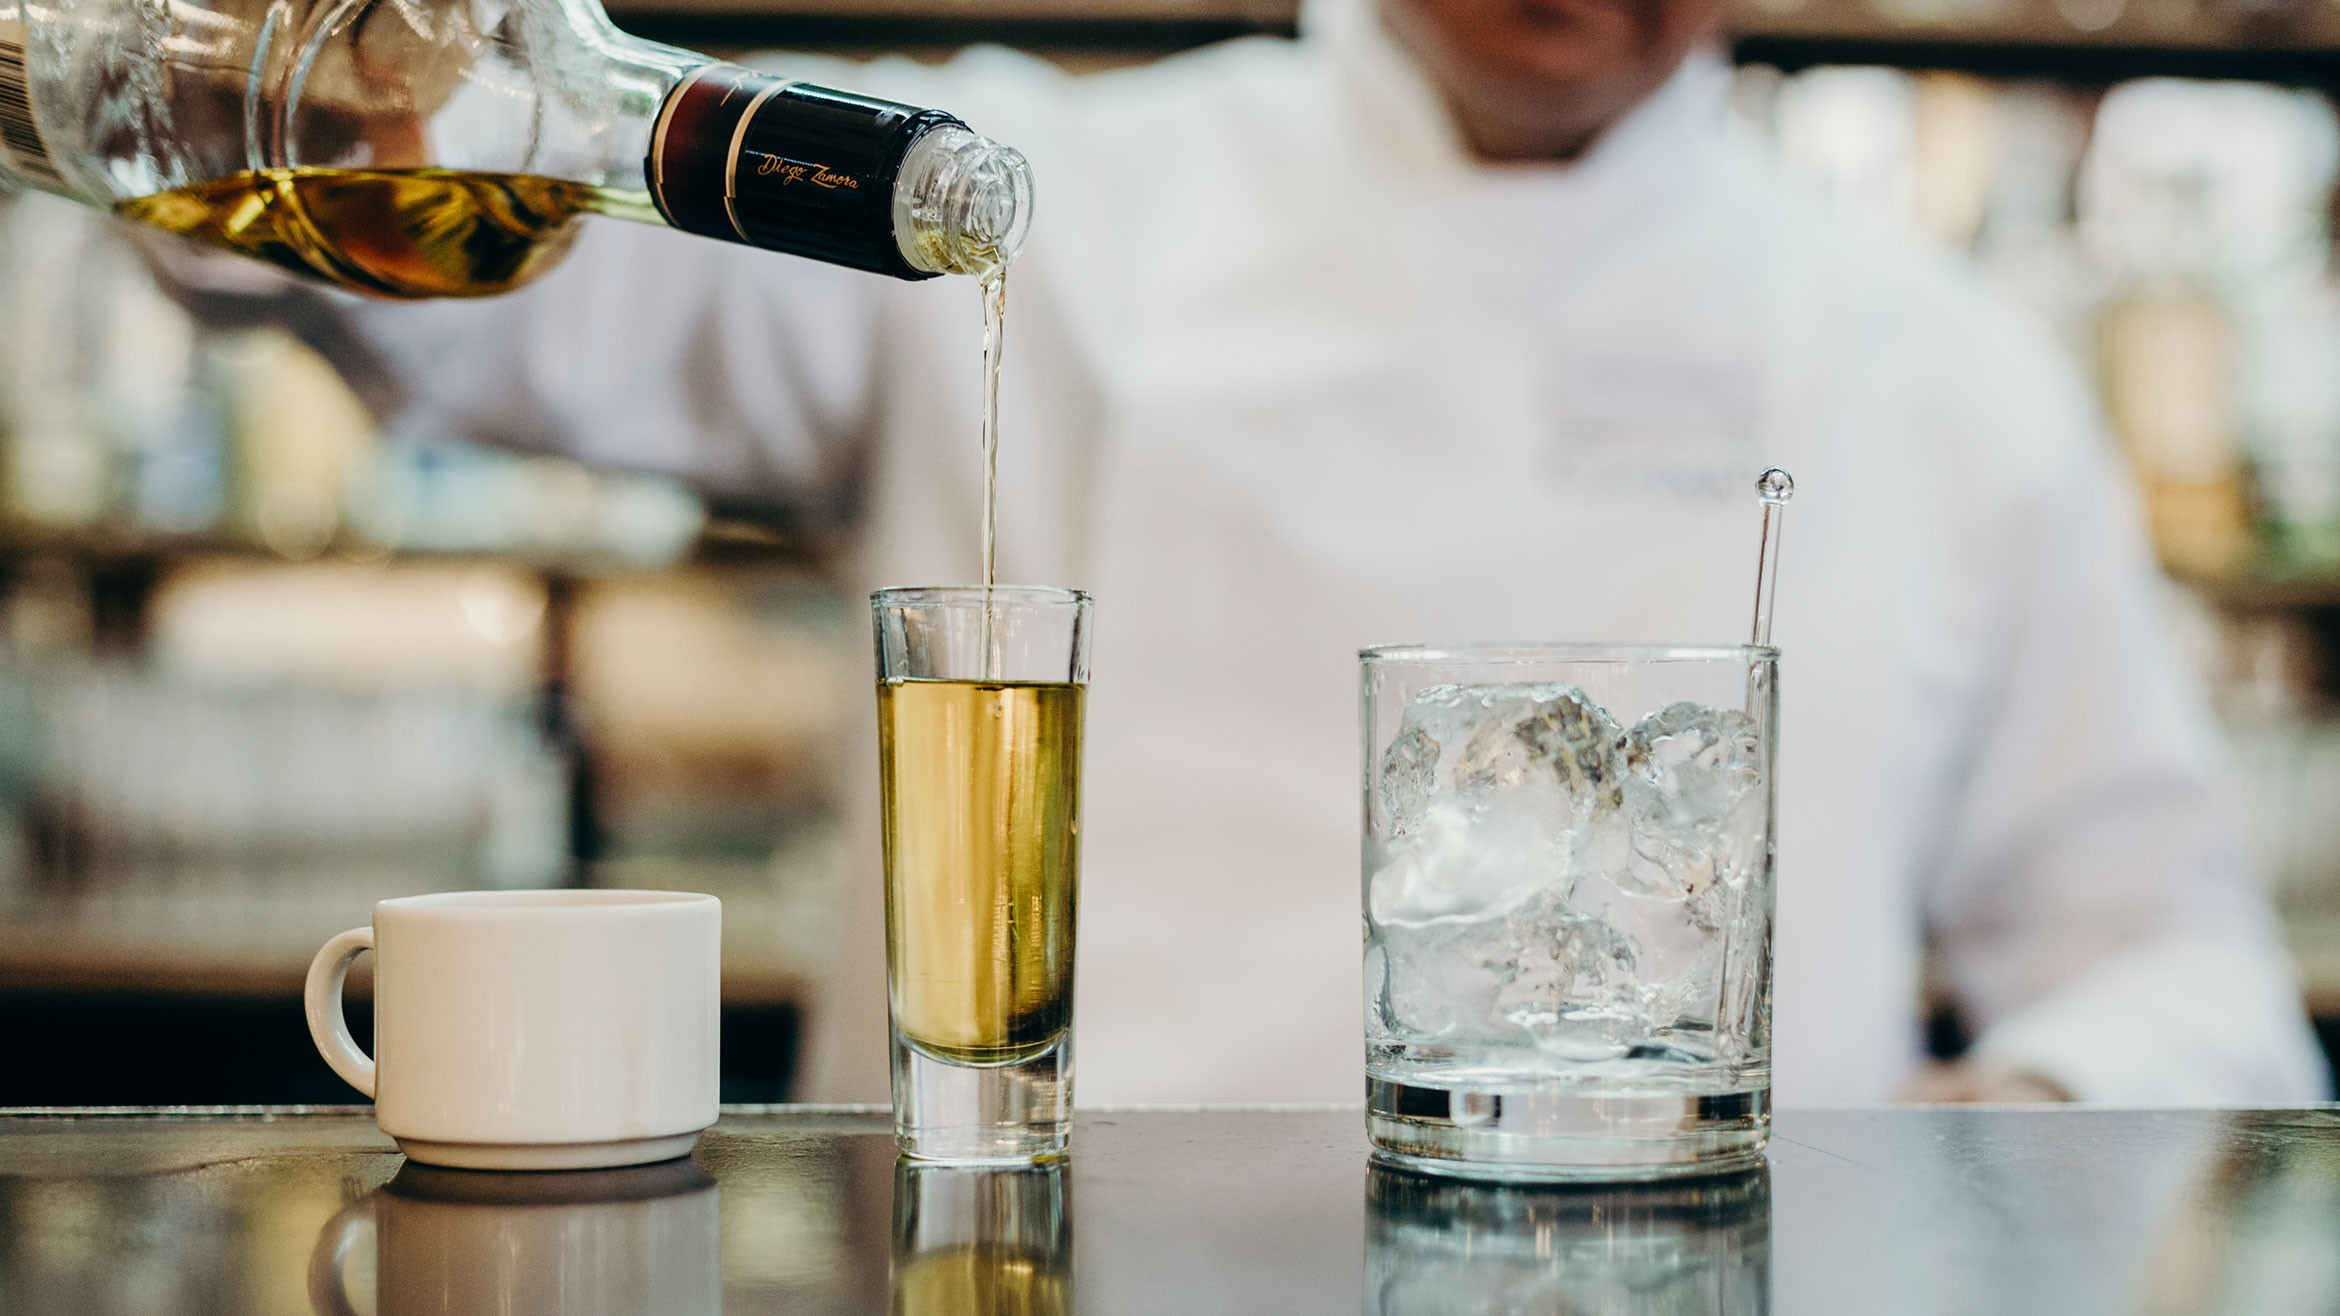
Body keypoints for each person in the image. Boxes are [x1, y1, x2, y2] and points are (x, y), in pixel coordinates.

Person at [164, 0, 2328, 1105]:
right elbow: (490, 287)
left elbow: (2181, 978)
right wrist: (293, 100)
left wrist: (1967, 1157)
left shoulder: (1937, 373)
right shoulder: (1016, 193)